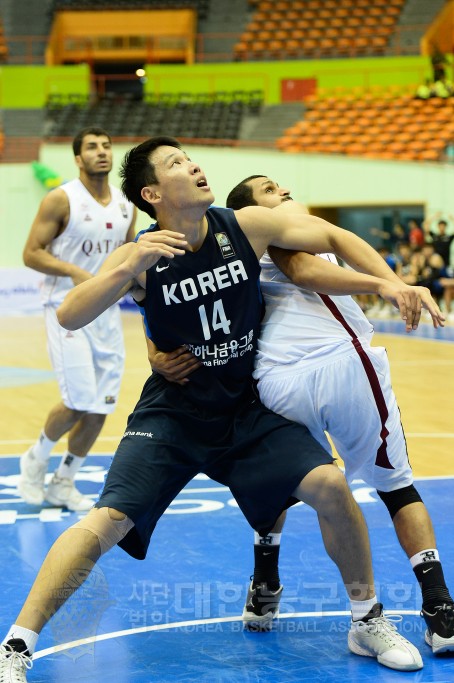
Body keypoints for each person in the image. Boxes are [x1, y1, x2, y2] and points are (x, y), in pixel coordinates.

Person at [1, 137, 437, 681]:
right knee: (109, 519)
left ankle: (365, 618)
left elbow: (331, 235)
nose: (195, 165)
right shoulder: (140, 254)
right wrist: (125, 267)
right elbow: (69, 315)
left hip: (242, 407)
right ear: (152, 193)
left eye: (191, 157)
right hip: (174, 415)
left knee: (331, 486)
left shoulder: (243, 226)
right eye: (178, 164)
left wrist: (391, 283)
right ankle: (17, 644)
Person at [220, 175, 453, 654]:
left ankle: (265, 583)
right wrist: (387, 286)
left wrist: (394, 282)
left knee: (287, 487)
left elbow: (325, 252)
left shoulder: (265, 241)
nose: (280, 190)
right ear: (250, 210)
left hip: (276, 380)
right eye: (268, 189)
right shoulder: (273, 232)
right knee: (395, 484)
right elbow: (303, 270)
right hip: (337, 363)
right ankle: (439, 607)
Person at [19, 127, 136, 511]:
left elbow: (129, 254)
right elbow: (32, 252)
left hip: (107, 312)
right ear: (77, 158)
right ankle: (35, 460)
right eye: (92, 147)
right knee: (77, 401)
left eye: (106, 146)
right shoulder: (60, 199)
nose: (101, 152)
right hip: (64, 309)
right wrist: (73, 270)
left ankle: (64, 481)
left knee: (102, 404)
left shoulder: (125, 204)